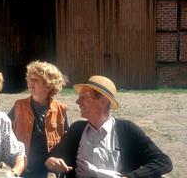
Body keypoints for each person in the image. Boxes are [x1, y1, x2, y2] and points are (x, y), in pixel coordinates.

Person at [45, 75, 173, 178]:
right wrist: (51, 160)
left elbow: (163, 162)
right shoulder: (77, 129)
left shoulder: (127, 130)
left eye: (84, 97)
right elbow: (55, 154)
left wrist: (131, 176)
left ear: (103, 100)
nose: (77, 102)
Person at [7, 60, 70, 178]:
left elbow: (67, 141)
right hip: (22, 168)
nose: (30, 82)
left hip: (49, 172)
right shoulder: (18, 106)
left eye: (35, 80)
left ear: (48, 84)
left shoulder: (61, 109)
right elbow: (4, 134)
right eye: (29, 79)